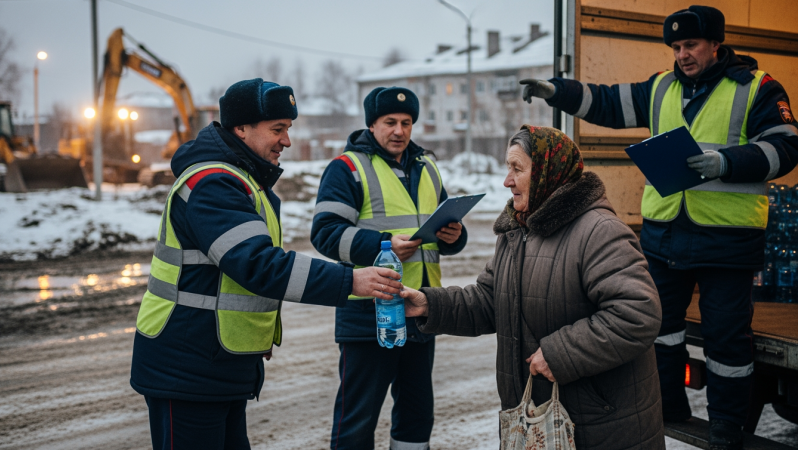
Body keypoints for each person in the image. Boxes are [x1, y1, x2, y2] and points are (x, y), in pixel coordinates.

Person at [520, 5, 798, 449]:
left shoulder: (758, 88)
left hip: (728, 238)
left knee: (727, 339)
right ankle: (669, 407)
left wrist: (726, 162)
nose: (682, 54)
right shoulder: (661, 87)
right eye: (676, 47)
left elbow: (786, 148)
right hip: (665, 235)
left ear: (716, 44)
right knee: (658, 327)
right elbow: (606, 102)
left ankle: (728, 425)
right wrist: (558, 91)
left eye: (691, 45)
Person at [129, 78, 403, 450]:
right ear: (241, 128)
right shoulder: (213, 184)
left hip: (216, 360)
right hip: (187, 365)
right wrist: (351, 281)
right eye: (277, 129)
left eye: (288, 129)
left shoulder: (242, 180)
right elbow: (258, 265)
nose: (286, 141)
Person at [401, 125, 664, 450]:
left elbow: (637, 314)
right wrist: (427, 304)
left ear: (547, 173)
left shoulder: (600, 231)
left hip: (599, 425)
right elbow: (488, 300)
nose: (506, 181)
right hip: (538, 421)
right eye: (507, 168)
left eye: (517, 169)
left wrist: (560, 354)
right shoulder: (517, 231)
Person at [311, 86, 468, 450]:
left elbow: (444, 230)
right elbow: (325, 233)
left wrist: (454, 236)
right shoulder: (347, 168)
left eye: (406, 122)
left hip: (421, 309)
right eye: (390, 122)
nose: (399, 131)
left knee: (417, 415)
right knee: (357, 420)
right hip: (369, 313)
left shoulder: (427, 167)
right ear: (372, 124)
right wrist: (383, 244)